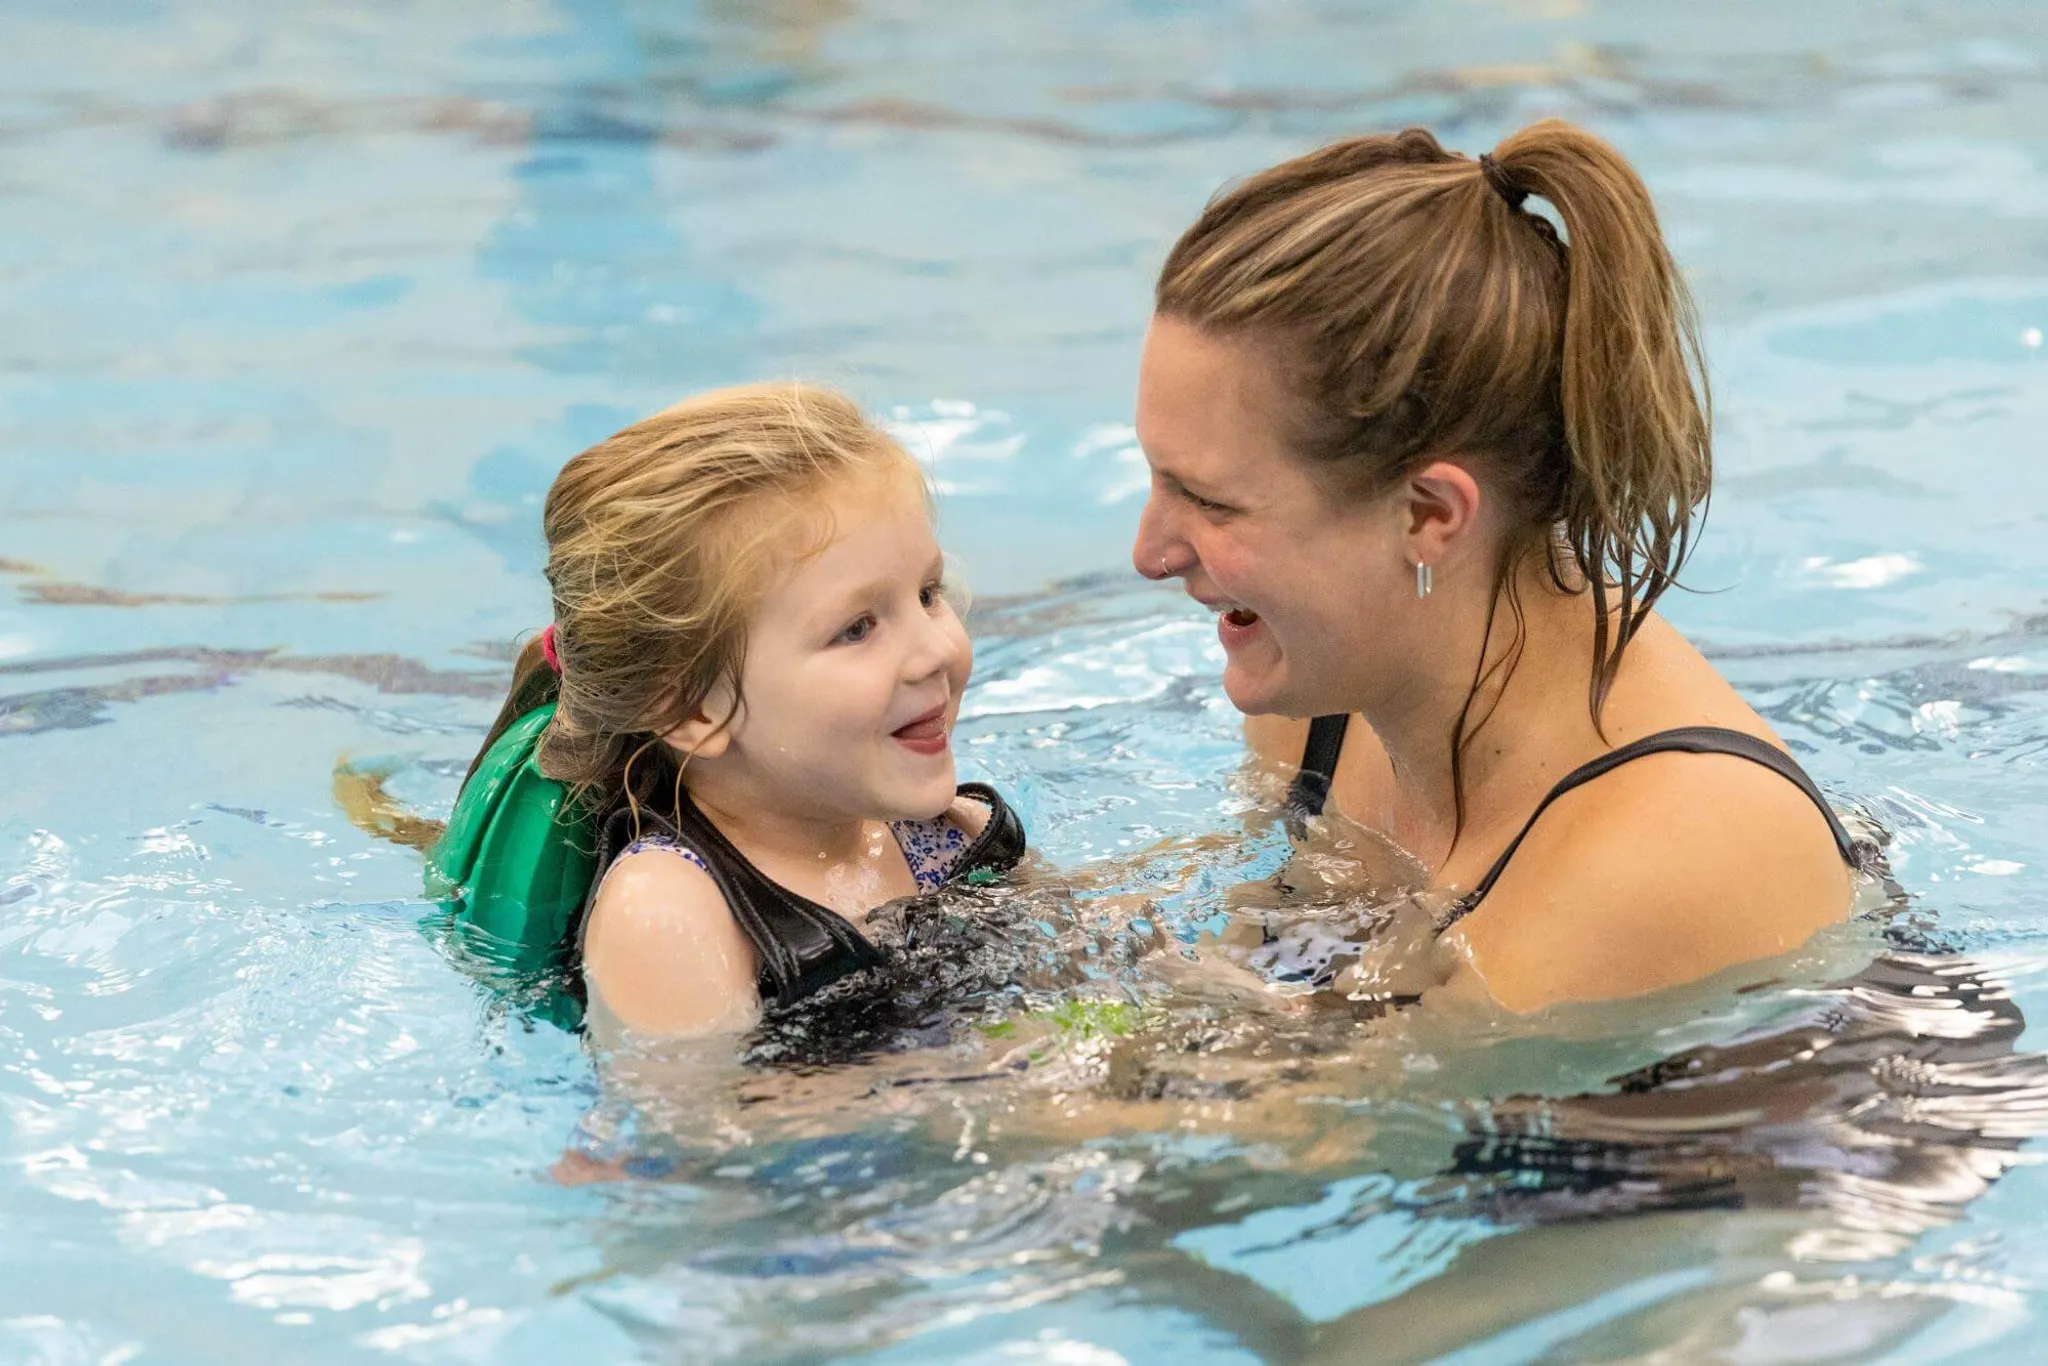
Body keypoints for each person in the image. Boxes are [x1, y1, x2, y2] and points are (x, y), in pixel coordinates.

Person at [1129, 119, 1872, 1013]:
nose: (1150, 552)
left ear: (1430, 515)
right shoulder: (1321, 696)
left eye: (1211, 501)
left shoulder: (1663, 857)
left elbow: (1294, 1132)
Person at [427, 384, 1025, 1038]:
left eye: (928, 593)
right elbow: (702, 1133)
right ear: (689, 709)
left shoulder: (940, 831)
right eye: (856, 628)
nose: (935, 650)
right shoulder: (670, 912)